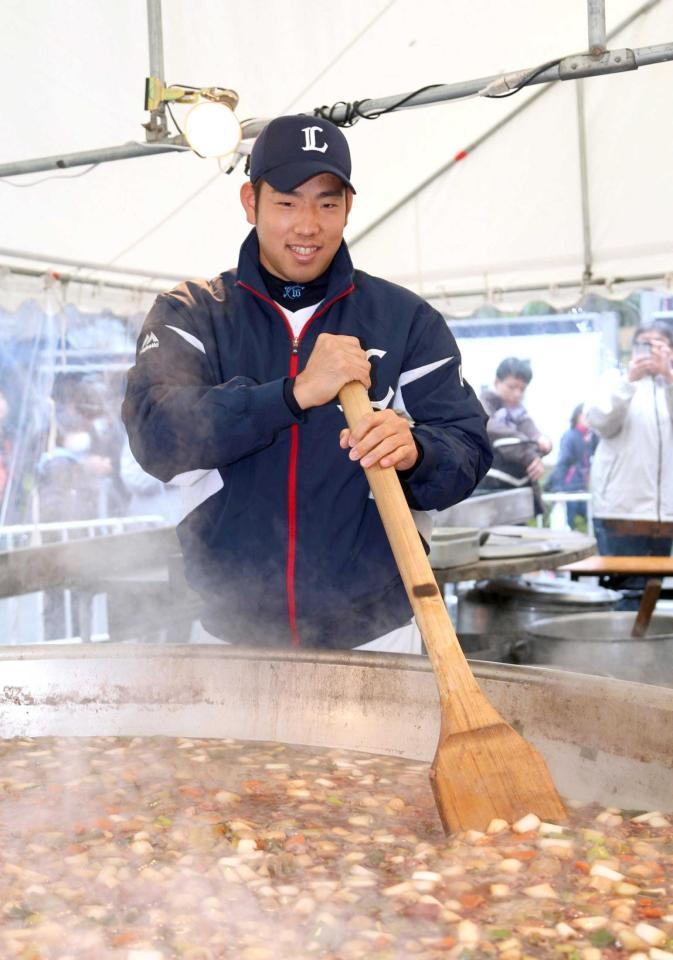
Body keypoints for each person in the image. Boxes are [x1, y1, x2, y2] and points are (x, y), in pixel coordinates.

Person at [122, 115, 492, 649]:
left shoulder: (405, 319)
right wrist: (292, 393)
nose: (308, 225)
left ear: (347, 207)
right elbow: (156, 437)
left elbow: (468, 448)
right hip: (231, 635)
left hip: (378, 632)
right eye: (287, 202)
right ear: (251, 202)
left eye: (327, 202)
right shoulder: (193, 313)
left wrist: (417, 452)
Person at [585, 321, 673, 604]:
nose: (650, 350)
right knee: (622, 597)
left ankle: (651, 649)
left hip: (666, 518)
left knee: (654, 599)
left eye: (658, 344)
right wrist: (629, 381)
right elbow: (599, 422)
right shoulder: (614, 379)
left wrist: (668, 376)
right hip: (620, 514)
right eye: (643, 343)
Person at [478, 357, 552, 514]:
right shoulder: (482, 405)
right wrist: (530, 451)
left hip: (516, 495)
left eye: (522, 389)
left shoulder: (519, 414)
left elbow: (536, 437)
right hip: (488, 492)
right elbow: (490, 428)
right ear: (497, 382)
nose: (517, 394)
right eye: (512, 387)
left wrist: (542, 444)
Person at [545, 403, 597, 529]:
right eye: (586, 415)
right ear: (578, 416)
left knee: (592, 523)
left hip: (581, 488)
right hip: (569, 489)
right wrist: (558, 488)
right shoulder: (571, 436)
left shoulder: (592, 437)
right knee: (568, 525)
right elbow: (562, 463)